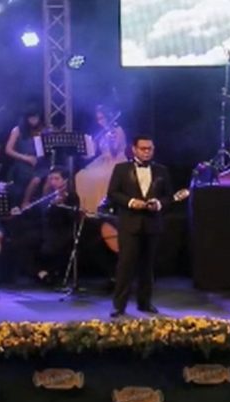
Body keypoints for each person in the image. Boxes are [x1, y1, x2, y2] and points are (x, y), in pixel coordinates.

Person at [106, 136, 176, 317]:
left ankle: (145, 303)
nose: (147, 152)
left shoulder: (161, 170)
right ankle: (119, 305)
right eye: (143, 148)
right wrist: (131, 202)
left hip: (152, 224)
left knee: (147, 266)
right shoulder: (121, 169)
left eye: (150, 149)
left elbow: (169, 197)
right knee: (125, 266)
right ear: (134, 149)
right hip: (129, 224)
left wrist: (158, 204)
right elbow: (112, 193)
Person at [74, 104, 128, 215]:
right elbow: (92, 153)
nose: (99, 121)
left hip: (116, 161)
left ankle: (101, 209)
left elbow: (114, 151)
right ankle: (87, 209)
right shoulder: (103, 132)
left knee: (100, 178)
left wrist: (111, 140)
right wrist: (84, 150)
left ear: (108, 117)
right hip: (103, 161)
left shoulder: (117, 130)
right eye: (98, 119)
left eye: (101, 118)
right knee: (81, 176)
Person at [37, 166, 81, 286]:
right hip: (48, 228)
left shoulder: (71, 196)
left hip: (64, 230)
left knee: (51, 245)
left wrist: (62, 203)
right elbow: (43, 214)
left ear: (65, 180)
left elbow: (72, 217)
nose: (53, 182)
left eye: (56, 179)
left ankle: (51, 274)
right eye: (51, 179)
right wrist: (51, 205)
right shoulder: (48, 194)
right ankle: (41, 273)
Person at [5, 105, 48, 208]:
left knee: (45, 177)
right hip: (23, 162)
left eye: (36, 117)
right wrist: (25, 158)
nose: (34, 120)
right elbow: (8, 150)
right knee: (30, 178)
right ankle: (24, 202)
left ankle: (44, 204)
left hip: (39, 163)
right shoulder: (17, 130)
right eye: (31, 118)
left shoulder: (43, 130)